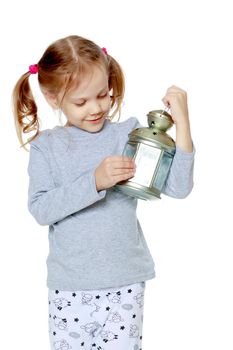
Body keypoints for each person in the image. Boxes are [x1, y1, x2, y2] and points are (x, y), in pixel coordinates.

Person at [12, 35, 195, 350]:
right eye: (81, 102)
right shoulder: (46, 147)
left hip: (124, 280)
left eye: (102, 95)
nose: (96, 108)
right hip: (69, 286)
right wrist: (93, 181)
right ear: (53, 98)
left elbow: (178, 187)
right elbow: (41, 209)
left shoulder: (130, 134)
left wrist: (183, 125)